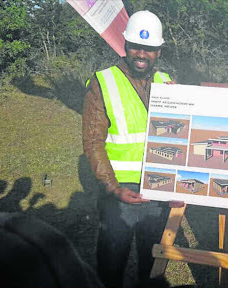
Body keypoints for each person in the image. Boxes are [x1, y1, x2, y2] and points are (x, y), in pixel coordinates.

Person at [82, 10, 174, 288]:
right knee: (112, 261)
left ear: (159, 50)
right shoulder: (103, 82)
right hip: (119, 191)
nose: (141, 54)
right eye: (136, 46)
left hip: (158, 188)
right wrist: (112, 187)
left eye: (149, 48)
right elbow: (93, 142)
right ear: (124, 46)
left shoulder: (167, 82)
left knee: (153, 260)